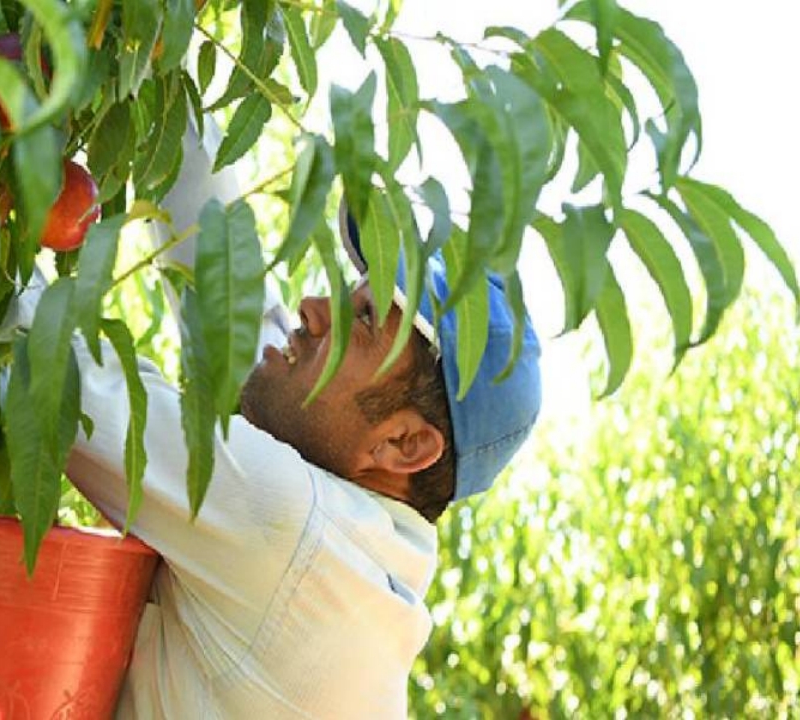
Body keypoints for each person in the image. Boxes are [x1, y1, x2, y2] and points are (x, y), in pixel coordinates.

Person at [41, 124, 542, 719]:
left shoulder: (296, 536)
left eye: (362, 320)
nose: (312, 308)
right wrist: (162, 90)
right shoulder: (351, 555)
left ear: (404, 444)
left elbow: (45, 366)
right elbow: (227, 290)